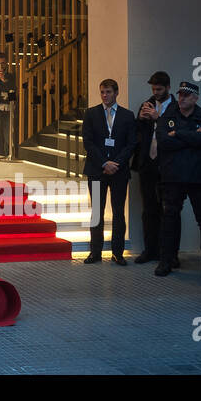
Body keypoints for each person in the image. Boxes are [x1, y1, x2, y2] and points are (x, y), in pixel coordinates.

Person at [155, 81, 201, 278]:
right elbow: (164, 141)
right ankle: (167, 260)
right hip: (173, 177)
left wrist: (178, 134)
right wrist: (190, 138)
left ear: (195, 98)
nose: (181, 98)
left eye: (186, 95)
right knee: (169, 219)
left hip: (199, 179)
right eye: (180, 95)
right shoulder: (168, 117)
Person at [81, 78, 136, 263]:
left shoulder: (128, 116)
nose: (105, 96)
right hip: (97, 170)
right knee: (97, 211)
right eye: (102, 92)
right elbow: (88, 142)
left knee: (118, 211)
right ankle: (95, 252)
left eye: (109, 92)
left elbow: (131, 144)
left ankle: (117, 252)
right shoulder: (91, 113)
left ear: (116, 92)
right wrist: (105, 163)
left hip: (119, 172)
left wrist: (116, 163)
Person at [131, 71, 172, 264]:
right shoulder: (147, 104)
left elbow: (175, 131)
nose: (155, 92)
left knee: (169, 210)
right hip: (147, 163)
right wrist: (140, 120)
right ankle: (150, 250)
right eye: (153, 89)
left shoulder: (176, 107)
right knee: (149, 209)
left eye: (159, 89)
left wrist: (158, 118)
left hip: (167, 164)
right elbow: (136, 134)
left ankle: (169, 253)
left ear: (168, 88)